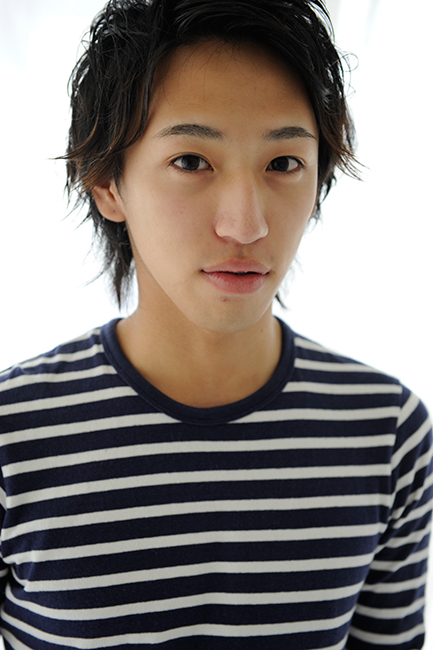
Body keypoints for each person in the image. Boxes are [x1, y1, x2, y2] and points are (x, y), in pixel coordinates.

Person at [0, 0, 431, 648]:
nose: (246, 225)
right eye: (191, 162)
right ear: (107, 183)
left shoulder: (386, 431)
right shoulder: (14, 433)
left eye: (283, 164)